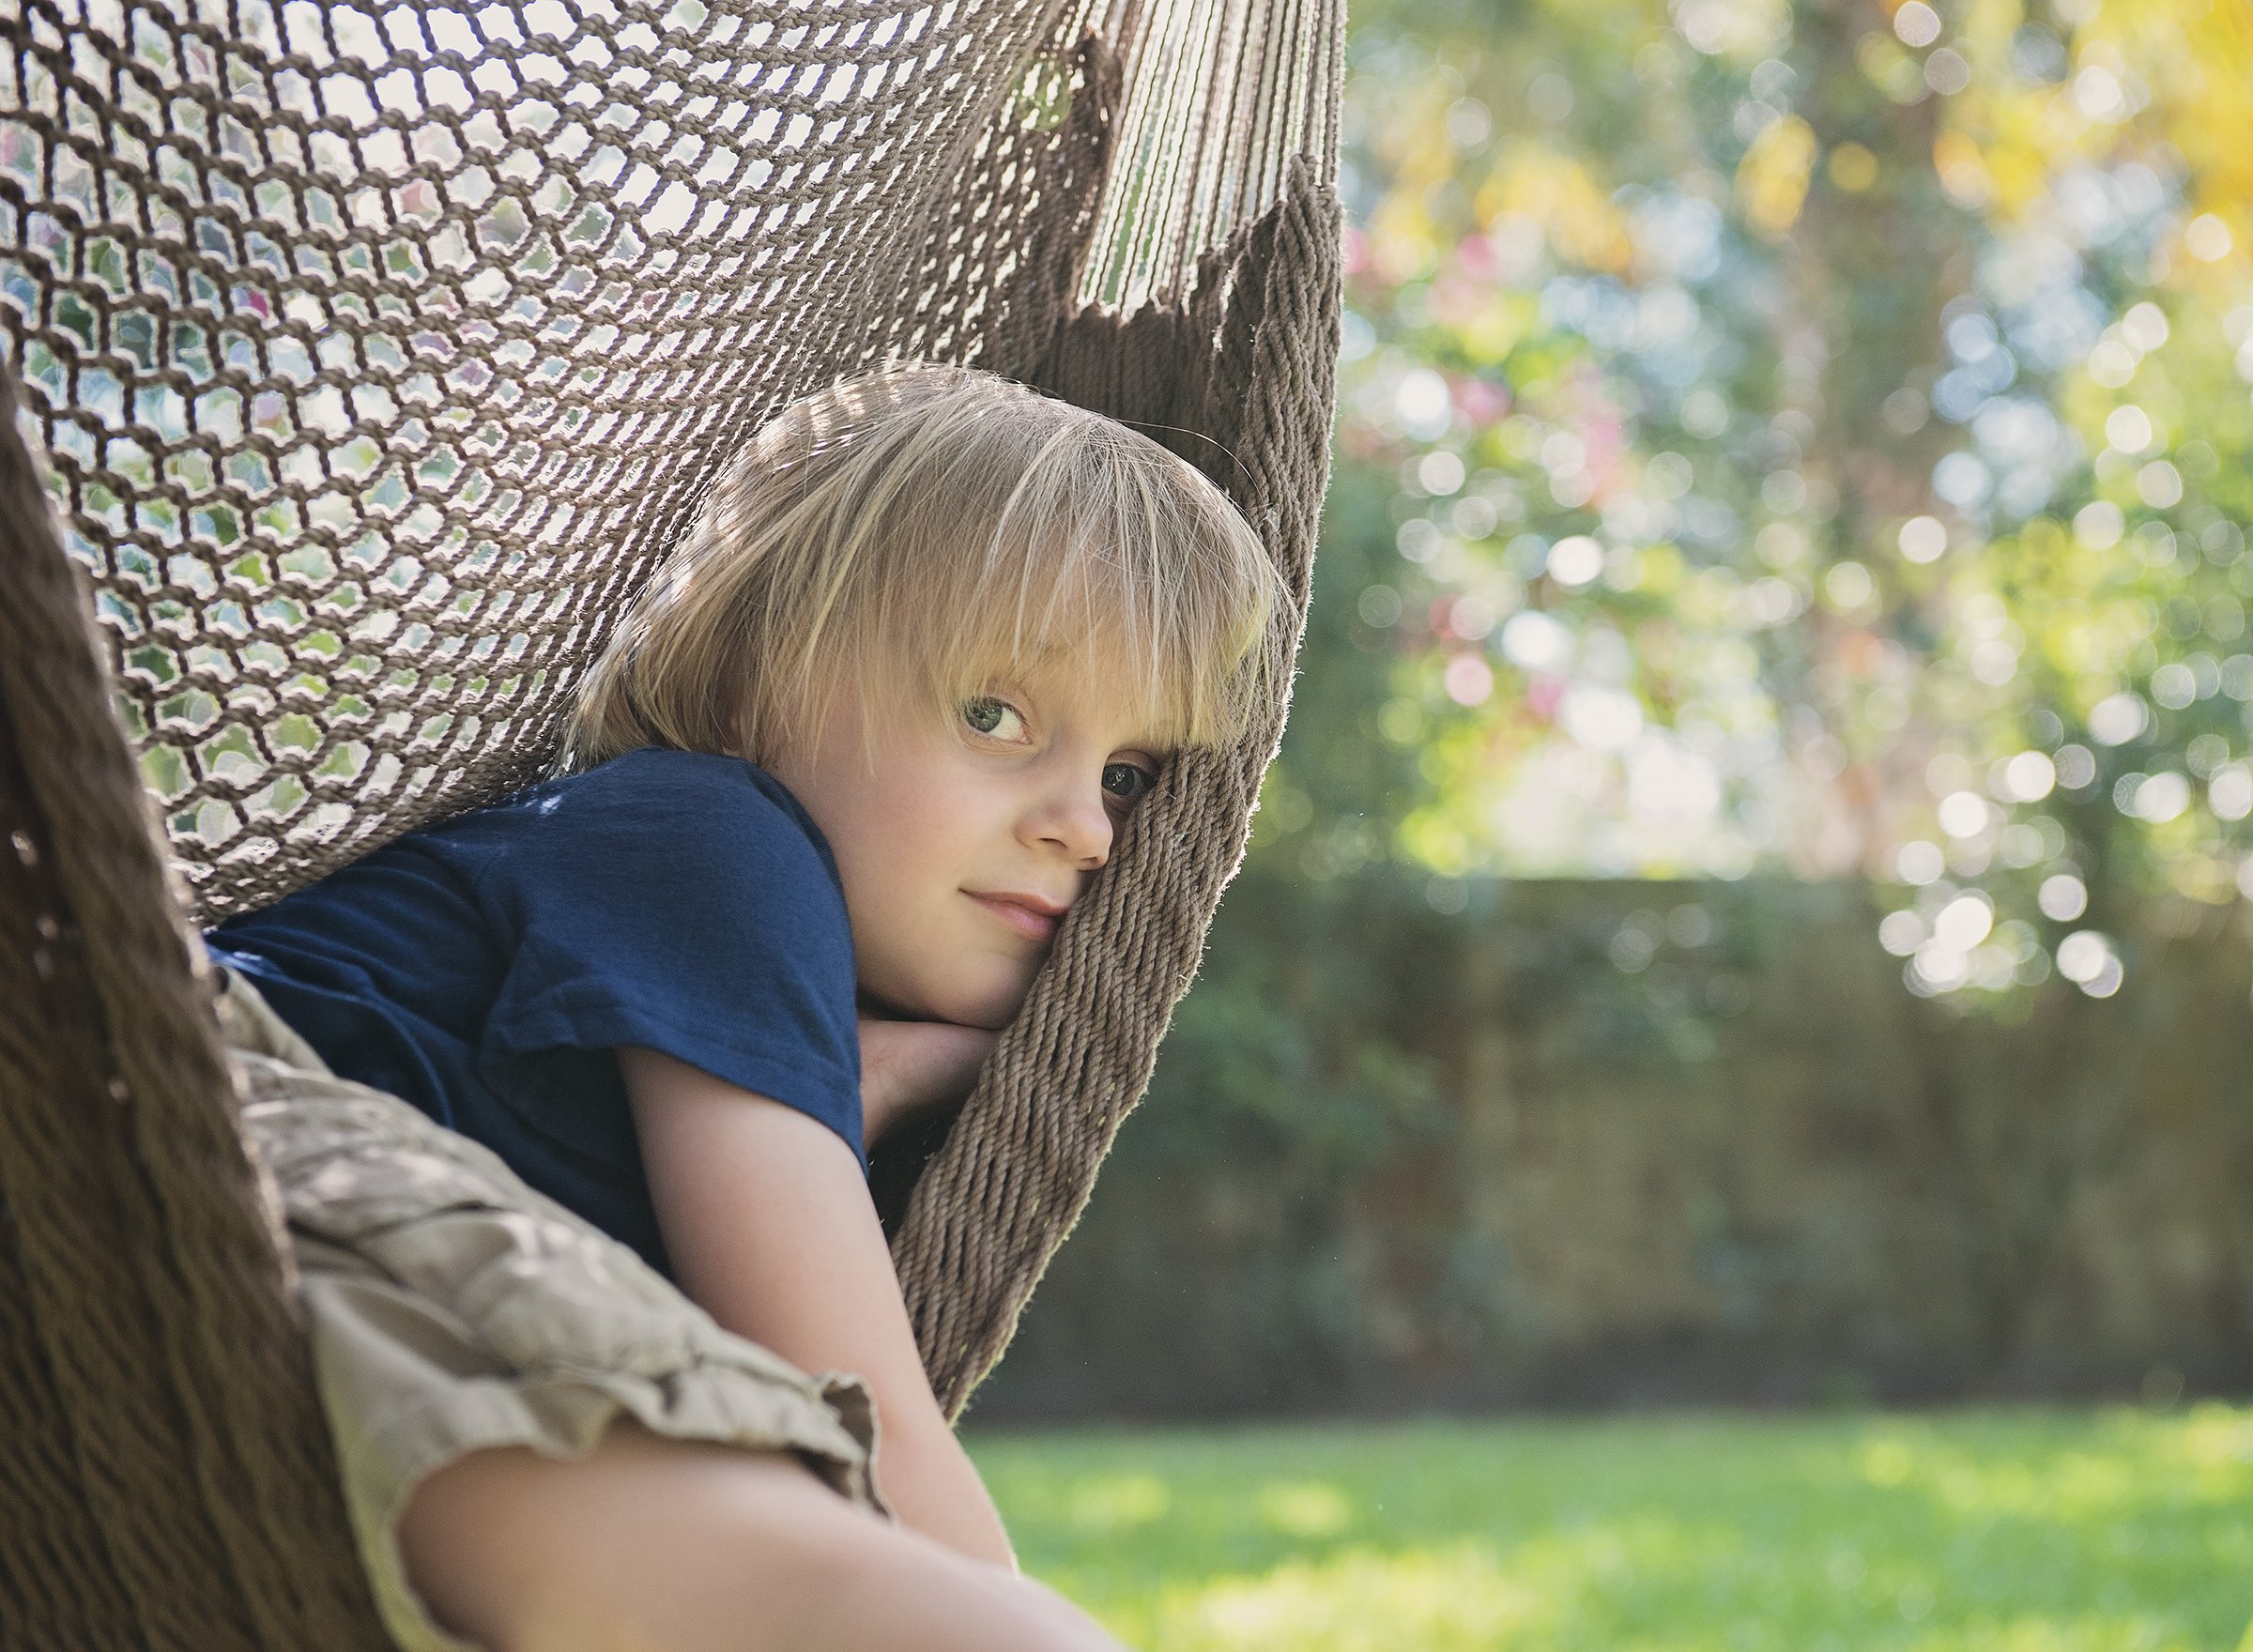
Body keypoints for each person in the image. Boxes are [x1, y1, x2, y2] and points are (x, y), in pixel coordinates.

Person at [204, 361, 1282, 1652]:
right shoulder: (715, 831)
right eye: (995, 715)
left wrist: (863, 1084)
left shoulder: (708, 938)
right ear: (745, 691)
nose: (1087, 829)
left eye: (1127, 772)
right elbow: (860, 1414)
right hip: (243, 1182)